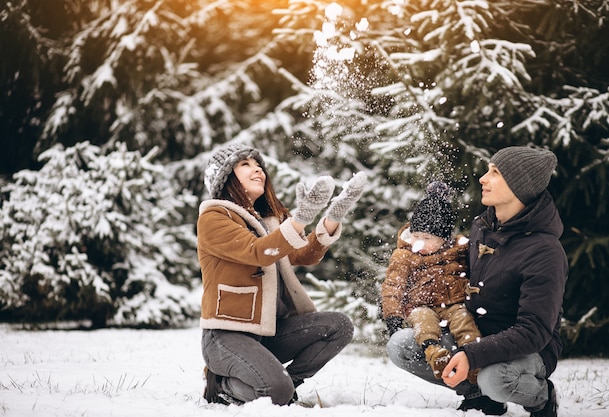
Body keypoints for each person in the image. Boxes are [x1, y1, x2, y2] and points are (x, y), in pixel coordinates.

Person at [387, 146, 567, 417]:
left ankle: (542, 397)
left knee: (496, 379)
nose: (483, 178)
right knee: (402, 346)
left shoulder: (544, 250)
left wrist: (473, 355)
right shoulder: (483, 227)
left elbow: (535, 331)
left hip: (526, 349)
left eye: (494, 173)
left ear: (520, 187)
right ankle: (477, 395)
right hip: (476, 335)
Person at [197, 143, 366, 406]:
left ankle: (287, 384)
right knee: (276, 392)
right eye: (246, 165)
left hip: (268, 333)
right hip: (226, 336)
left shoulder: (269, 220)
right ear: (226, 177)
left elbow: (304, 254)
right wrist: (301, 218)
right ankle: (220, 384)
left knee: (338, 326)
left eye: (259, 165)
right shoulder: (214, 218)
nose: (258, 171)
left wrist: (334, 215)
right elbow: (259, 251)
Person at [380, 181, 481, 384]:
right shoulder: (405, 255)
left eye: (427, 238)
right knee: (423, 322)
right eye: (416, 236)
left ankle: (475, 364)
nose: (419, 243)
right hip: (421, 305)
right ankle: (434, 353)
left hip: (454, 305)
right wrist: (392, 314)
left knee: (465, 323)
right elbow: (393, 285)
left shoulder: (459, 251)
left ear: (444, 239)